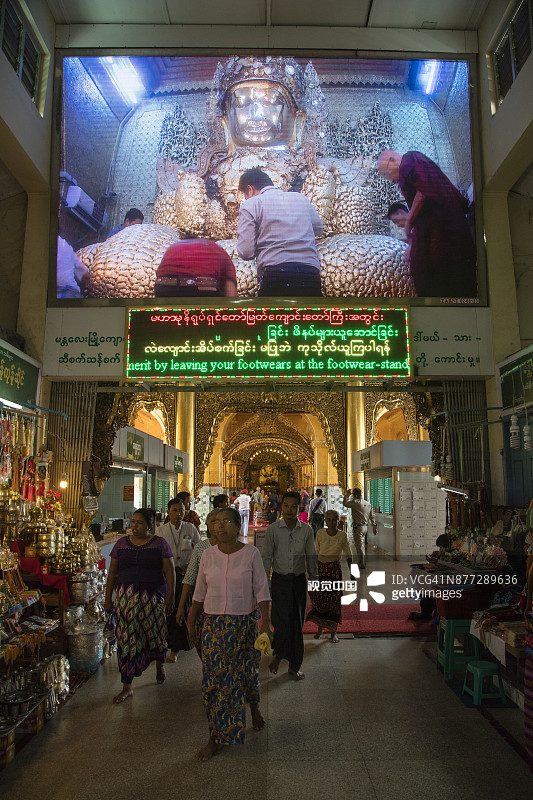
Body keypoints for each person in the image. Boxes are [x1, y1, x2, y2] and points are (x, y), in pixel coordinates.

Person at [189, 507, 272, 761]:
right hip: (214, 627)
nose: (220, 526)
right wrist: (192, 622)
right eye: (216, 522)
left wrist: (266, 625)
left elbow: (261, 589)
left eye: (226, 522)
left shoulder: (251, 554)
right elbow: (199, 593)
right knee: (215, 683)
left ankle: (254, 708)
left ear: (239, 526)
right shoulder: (207, 555)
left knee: (246, 673)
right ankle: (216, 736)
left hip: (244, 625)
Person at [377, 149, 476, 297]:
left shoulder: (410, 160)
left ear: (392, 160)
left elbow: (425, 189)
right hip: (438, 228)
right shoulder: (407, 167)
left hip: (444, 229)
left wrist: (410, 219)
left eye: (386, 174)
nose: (390, 180)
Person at [104, 507, 175, 704]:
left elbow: (169, 571)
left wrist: (170, 597)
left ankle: (159, 663)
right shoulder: (121, 544)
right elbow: (112, 573)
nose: (134, 526)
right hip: (125, 601)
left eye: (140, 523)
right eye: (133, 522)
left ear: (150, 525)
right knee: (126, 640)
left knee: (155, 634)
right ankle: (127, 685)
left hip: (152, 599)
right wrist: (108, 598)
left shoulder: (160, 544)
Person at [237, 167, 324, 296]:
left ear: (250, 189)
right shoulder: (300, 199)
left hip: (276, 277)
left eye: (245, 195)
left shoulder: (251, 204)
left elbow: (246, 251)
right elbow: (318, 228)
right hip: (310, 275)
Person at [262, 491, 318, 680]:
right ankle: (279, 654)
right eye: (286, 505)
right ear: (281, 506)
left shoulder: (307, 530)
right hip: (279, 580)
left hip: (298, 581)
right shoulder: (273, 529)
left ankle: (295, 665)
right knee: (279, 619)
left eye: (294, 506)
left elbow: (311, 557)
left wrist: (315, 580)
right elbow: (267, 557)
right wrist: (265, 583)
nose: (289, 510)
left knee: (296, 621)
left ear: (300, 507)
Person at [157, 497, 201, 662]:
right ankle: (172, 643)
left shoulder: (190, 528)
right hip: (166, 575)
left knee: (182, 607)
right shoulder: (160, 531)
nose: (178, 514)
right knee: (169, 608)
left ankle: (176, 647)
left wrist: (190, 566)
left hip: (185, 574)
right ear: (168, 512)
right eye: (174, 510)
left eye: (181, 511)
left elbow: (199, 550)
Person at [176, 509, 219, 655]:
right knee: (203, 643)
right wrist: (181, 606)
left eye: (222, 522)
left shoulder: (235, 549)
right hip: (204, 605)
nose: (217, 526)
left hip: (227, 605)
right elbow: (189, 578)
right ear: (207, 524)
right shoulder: (201, 548)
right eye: (213, 521)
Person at [306, 509, 352, 643]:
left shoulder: (342, 536)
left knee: (334, 602)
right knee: (318, 600)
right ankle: (320, 628)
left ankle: (333, 632)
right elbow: (316, 552)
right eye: (329, 519)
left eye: (335, 520)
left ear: (339, 521)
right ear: (325, 520)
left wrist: (352, 573)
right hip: (320, 571)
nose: (332, 523)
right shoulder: (320, 533)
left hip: (334, 572)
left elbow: (349, 554)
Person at [154, 238, 237, 297]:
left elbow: (160, 273)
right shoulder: (217, 248)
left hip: (165, 288)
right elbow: (230, 293)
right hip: (200, 289)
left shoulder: (173, 247)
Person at [343, 487, 377, 570]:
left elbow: (345, 503)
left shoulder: (356, 502)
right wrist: (374, 527)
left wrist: (347, 495)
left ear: (355, 495)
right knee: (361, 545)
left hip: (358, 527)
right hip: (365, 527)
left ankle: (361, 564)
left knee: (359, 546)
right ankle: (362, 562)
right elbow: (372, 516)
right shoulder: (368, 503)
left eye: (353, 495)